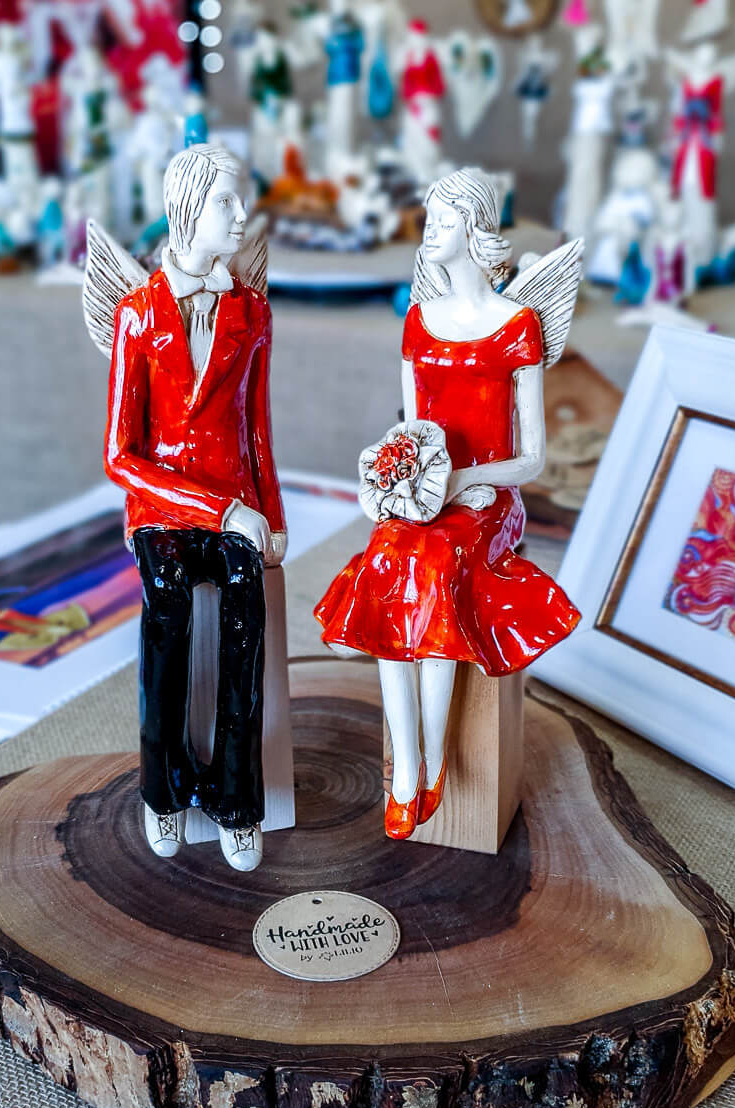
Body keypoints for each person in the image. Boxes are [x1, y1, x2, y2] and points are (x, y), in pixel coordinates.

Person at [315, 169, 580, 839]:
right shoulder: (418, 322)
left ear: (476, 229)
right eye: (429, 218)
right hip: (423, 497)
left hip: (488, 497)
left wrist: (465, 481)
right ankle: (408, 765)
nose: (429, 230)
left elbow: (532, 458)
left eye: (443, 219)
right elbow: (410, 429)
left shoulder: (516, 326)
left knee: (434, 564)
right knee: (387, 556)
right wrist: (394, 482)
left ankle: (431, 761)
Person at [104, 144, 285, 870]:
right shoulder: (137, 315)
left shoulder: (252, 312)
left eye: (240, 201)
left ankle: (237, 799)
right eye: (225, 201)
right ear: (185, 208)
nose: (241, 215)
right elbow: (120, 456)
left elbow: (257, 427)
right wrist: (219, 511)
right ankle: (165, 790)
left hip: (237, 503)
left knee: (246, 606)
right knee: (168, 607)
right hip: (162, 509)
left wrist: (270, 517)